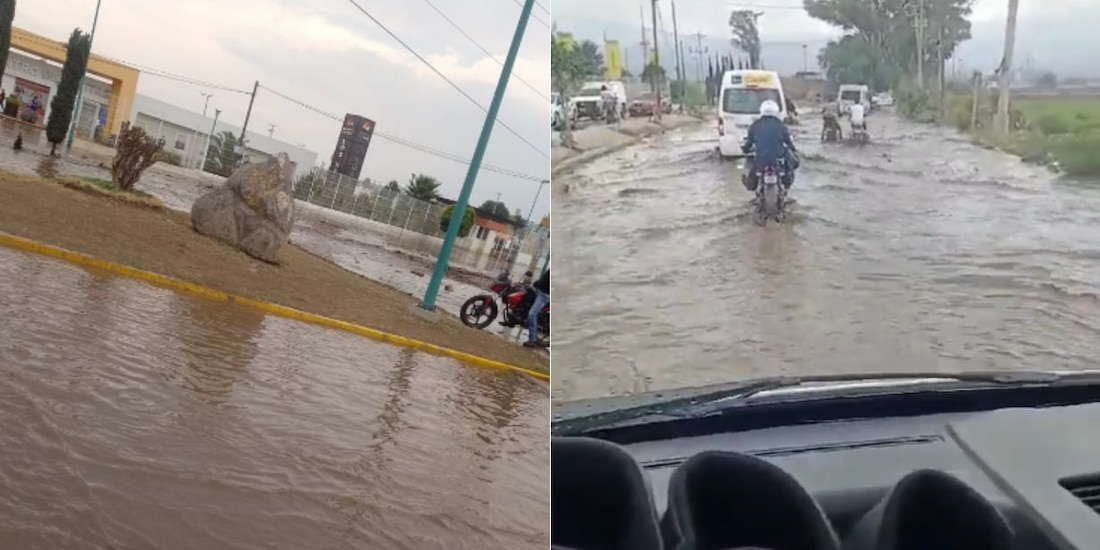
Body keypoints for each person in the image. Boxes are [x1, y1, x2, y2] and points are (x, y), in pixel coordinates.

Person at [741, 100, 799, 191]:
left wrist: (745, 150)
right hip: (777, 159)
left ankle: (751, 183)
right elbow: (788, 142)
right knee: (788, 163)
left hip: (761, 159)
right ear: (776, 111)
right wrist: (793, 150)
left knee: (753, 167)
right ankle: (787, 182)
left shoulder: (755, 125)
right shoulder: (781, 125)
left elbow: (749, 143)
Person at [524, 270, 549, 348]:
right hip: (539, 290)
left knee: (532, 314)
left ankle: (532, 340)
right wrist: (536, 283)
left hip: (544, 295)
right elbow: (545, 279)